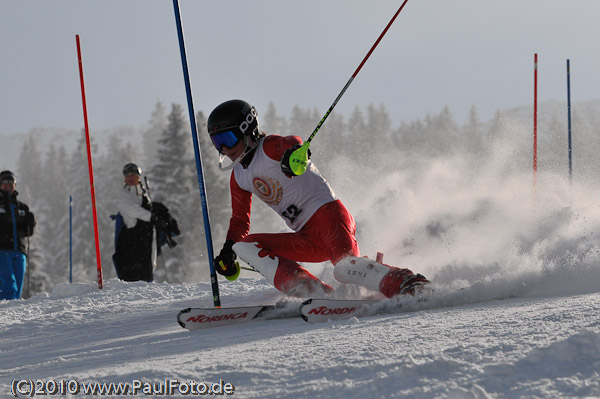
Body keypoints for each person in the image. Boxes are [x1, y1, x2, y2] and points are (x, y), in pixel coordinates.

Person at [207, 99, 429, 298]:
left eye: (228, 138)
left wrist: (293, 154)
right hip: (306, 236)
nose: (225, 149)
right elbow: (239, 221)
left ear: (249, 130)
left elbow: (292, 141)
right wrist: (228, 249)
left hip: (329, 219)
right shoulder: (239, 176)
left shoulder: (269, 147)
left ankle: (409, 284)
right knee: (244, 246)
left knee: (345, 269)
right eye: (218, 143)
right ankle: (313, 291)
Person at [112, 163, 179, 282]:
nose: (131, 178)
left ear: (138, 177)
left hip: (146, 239)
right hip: (130, 241)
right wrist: (151, 217)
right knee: (131, 272)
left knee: (147, 269)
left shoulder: (144, 194)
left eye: (133, 175)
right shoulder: (121, 194)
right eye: (128, 176)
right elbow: (131, 209)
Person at [0, 170, 35, 300]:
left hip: (19, 251)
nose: (8, 185)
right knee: (9, 284)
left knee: (18, 285)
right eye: (5, 182)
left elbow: (28, 232)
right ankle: (6, 309)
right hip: (2, 250)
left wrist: (31, 223)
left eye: (11, 182)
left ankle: (11, 308)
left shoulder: (21, 207)